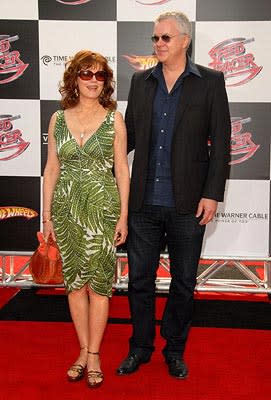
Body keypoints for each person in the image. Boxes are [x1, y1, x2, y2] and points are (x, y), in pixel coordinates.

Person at [117, 11, 231, 379]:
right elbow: (129, 137)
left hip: (188, 206)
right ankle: (141, 346)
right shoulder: (140, 82)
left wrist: (212, 194)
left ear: (185, 40)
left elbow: (223, 144)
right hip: (144, 204)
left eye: (166, 38)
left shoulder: (211, 82)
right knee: (139, 282)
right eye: (155, 38)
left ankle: (175, 348)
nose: (159, 44)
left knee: (183, 282)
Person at [43, 50, 130, 387]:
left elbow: (121, 169)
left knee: (100, 286)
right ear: (74, 79)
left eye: (100, 75)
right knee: (75, 284)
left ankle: (94, 354)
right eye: (86, 74)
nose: (94, 80)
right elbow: (52, 168)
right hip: (66, 210)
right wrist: (47, 215)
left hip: (102, 211)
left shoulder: (114, 119)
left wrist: (122, 216)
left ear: (106, 81)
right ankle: (82, 350)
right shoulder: (57, 119)